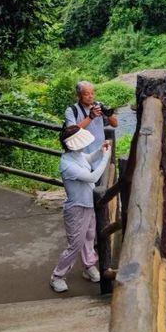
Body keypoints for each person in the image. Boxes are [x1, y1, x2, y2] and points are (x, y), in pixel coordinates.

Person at [50, 124, 111, 294]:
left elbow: (89, 159)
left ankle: (89, 266)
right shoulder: (67, 165)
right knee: (75, 244)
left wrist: (100, 151)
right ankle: (58, 276)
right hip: (76, 208)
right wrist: (106, 157)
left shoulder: (76, 155)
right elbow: (93, 176)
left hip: (88, 204)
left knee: (89, 237)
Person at [64, 80, 119, 157]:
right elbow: (71, 133)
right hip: (82, 154)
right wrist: (90, 117)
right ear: (79, 95)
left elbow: (115, 124)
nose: (91, 96)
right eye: (86, 94)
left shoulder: (99, 105)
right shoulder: (72, 110)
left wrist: (109, 114)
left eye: (92, 93)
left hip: (100, 151)